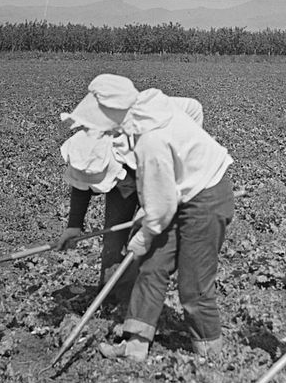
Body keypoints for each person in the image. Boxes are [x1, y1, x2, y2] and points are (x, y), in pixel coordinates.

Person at [59, 74, 234, 362]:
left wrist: (144, 233)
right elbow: (159, 200)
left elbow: (161, 206)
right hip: (177, 193)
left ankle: (211, 354)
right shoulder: (140, 114)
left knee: (194, 283)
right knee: (152, 264)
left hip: (206, 198)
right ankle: (135, 345)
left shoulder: (149, 141)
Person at [54, 86, 205, 313]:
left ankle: (137, 306)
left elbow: (195, 109)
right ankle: (111, 301)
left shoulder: (154, 117)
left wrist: (163, 196)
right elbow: (81, 181)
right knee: (113, 240)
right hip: (128, 170)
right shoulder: (90, 138)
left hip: (159, 171)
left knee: (146, 242)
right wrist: (74, 225)